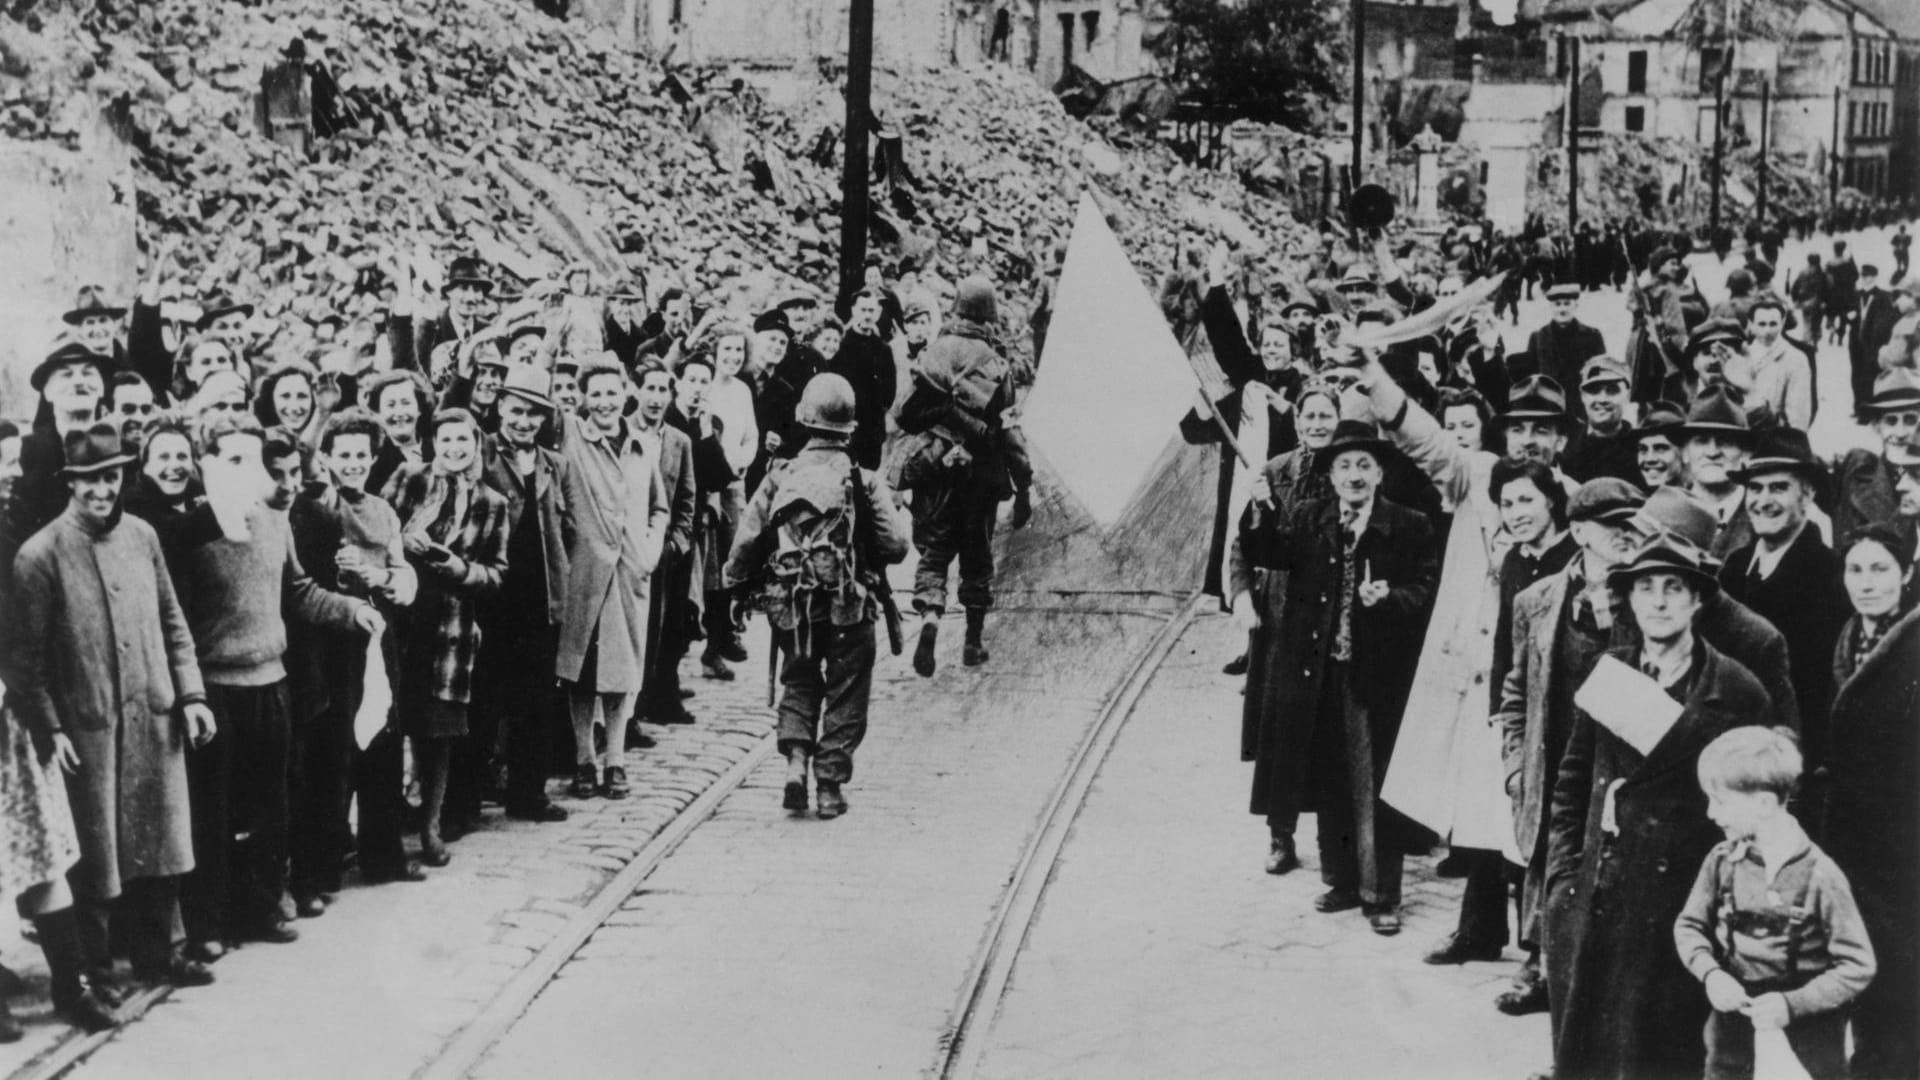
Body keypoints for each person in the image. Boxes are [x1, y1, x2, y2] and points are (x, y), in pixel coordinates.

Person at [1543, 536, 1771, 1080]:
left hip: (1681, 905)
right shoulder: (1610, 673)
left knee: (1663, 1055)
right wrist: (1562, 873)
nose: (1659, 601)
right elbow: (1573, 781)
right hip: (1601, 891)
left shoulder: (1735, 691)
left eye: (1674, 588)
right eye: (1645, 588)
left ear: (1697, 601)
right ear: (1630, 600)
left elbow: (1760, 808)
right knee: (1590, 1052)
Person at [12, 422, 218, 996]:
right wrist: (52, 730)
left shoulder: (144, 536)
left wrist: (192, 695)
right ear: (70, 484)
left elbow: (173, 624)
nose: (101, 491)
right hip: (89, 727)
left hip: (154, 715)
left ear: (124, 476)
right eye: (88, 481)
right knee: (96, 856)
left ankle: (161, 955)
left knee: (161, 843)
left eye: (110, 477)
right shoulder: (41, 554)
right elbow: (27, 663)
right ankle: (93, 970)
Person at [174, 416, 380, 955]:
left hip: (273, 683)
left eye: (254, 460)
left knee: (270, 807)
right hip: (217, 687)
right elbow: (175, 617)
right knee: (214, 813)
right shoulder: (192, 530)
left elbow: (301, 591)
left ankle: (262, 908)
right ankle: (211, 926)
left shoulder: (274, 522)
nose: (248, 471)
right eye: (233, 460)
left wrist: (352, 610)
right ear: (210, 465)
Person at [1239, 419, 1437, 935]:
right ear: (1329, 476)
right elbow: (1269, 554)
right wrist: (1259, 508)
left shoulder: (1409, 524)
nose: (1353, 474)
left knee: (1373, 786)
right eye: (1344, 465)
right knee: (1329, 781)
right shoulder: (1309, 517)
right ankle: (1342, 881)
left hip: (1374, 677)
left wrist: (1390, 599)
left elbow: (1426, 591)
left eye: (1363, 465)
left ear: (1379, 473)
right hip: (1316, 673)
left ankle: (1382, 894)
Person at [1493, 478, 1647, 1029]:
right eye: (1615, 527)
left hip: (1617, 758)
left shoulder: (1646, 596)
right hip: (1553, 749)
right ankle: (1540, 964)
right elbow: (1516, 688)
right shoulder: (1535, 601)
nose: (1628, 536)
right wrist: (1514, 763)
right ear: (1580, 531)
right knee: (1547, 863)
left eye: (1634, 524)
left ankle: (1588, 983)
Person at [723, 373, 910, 819]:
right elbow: (897, 546)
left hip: (792, 606)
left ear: (804, 421)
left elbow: (746, 543)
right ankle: (829, 787)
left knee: (800, 678)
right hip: (848, 605)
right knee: (847, 692)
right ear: (849, 428)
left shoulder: (778, 475)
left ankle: (795, 764)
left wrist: (735, 589)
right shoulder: (861, 480)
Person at [1423, 461, 1583, 975]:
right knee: (1488, 816)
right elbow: (1504, 647)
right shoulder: (1514, 560)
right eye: (1507, 504)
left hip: (1557, 716)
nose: (1516, 513)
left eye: (1526, 501)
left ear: (1552, 503)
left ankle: (1539, 954)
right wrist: (1497, 710)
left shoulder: (1572, 560)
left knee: (1540, 828)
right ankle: (1480, 930)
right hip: (1511, 709)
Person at [0, 420, 118, 1037]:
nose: (8, 477)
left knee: (40, 854)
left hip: (11, 722)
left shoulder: (12, 532)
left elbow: (22, 635)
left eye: (10, 467)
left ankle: (71, 988)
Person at [1674, 726, 1875, 1080]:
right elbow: (1689, 926)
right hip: (1733, 1033)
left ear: (1764, 804)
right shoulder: (1721, 861)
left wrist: (1791, 1005)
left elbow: (1858, 965)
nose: (1709, 813)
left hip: (1809, 1038)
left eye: (1719, 801)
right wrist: (1711, 974)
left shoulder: (1821, 876)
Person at [286, 410, 424, 908]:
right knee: (335, 747)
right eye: (342, 455)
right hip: (333, 638)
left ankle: (383, 854)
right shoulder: (316, 506)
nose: (352, 464)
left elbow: (400, 571)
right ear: (326, 458)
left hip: (377, 630)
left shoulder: (383, 510)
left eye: (361, 456)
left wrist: (385, 579)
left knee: (384, 736)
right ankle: (322, 865)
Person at [383, 408, 509, 864]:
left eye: (464, 441)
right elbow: (374, 528)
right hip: (403, 617)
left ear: (477, 444)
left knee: (440, 728)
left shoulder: (492, 502)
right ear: (433, 442)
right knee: (394, 723)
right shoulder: (408, 479)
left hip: (451, 624)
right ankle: (389, 824)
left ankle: (430, 825)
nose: (455, 449)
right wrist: (403, 539)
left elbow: (497, 574)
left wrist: (462, 569)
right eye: (446, 440)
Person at [1819, 524, 1919, 1080]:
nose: (1866, 582)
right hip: (1852, 837)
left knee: (1898, 981)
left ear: (1906, 574)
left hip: (1899, 843)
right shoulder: (1846, 638)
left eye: (1880, 569)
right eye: (1854, 570)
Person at [1229, 382, 1342, 872]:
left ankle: (1335, 839)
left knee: (1324, 730)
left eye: (1325, 416)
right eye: (1309, 416)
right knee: (1281, 730)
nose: (1317, 424)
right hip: (1281, 621)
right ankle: (1281, 836)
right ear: (1297, 423)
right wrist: (1241, 596)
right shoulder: (1275, 472)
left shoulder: (1348, 471)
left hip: (1326, 613)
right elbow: (1242, 545)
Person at [897, 277, 1032, 675]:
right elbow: (1011, 436)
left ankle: (930, 620)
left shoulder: (931, 355)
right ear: (988, 317)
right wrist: (1024, 485)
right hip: (980, 476)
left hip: (935, 471)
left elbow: (904, 414)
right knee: (977, 557)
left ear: (955, 311)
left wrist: (942, 417)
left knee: (935, 553)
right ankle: (972, 644)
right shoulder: (997, 366)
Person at [555, 358, 669, 800]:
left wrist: (649, 550)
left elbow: (660, 506)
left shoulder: (641, 445)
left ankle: (616, 761)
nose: (605, 402)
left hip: (628, 574)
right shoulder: (571, 437)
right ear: (583, 398)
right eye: (596, 393)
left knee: (623, 674)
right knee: (580, 673)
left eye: (612, 392)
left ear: (627, 393)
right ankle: (585, 759)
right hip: (584, 574)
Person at [1718, 429, 1849, 791]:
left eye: (1778, 488)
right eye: (1755, 489)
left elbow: (1824, 687)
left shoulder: (1830, 575)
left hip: (1791, 765)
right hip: (1728, 754)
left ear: (1807, 496)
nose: (1763, 500)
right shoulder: (1733, 569)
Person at [471, 366, 573, 820]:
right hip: (492, 598)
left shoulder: (556, 464)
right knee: (482, 699)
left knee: (535, 701)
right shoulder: (484, 453)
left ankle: (528, 793)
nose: (524, 421)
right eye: (516, 410)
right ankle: (465, 799)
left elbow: (569, 529)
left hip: (539, 599)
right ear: (499, 408)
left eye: (533, 414)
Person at [630, 362, 698, 733]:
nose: (656, 398)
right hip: (631, 548)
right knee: (633, 630)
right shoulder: (624, 431)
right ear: (637, 391)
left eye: (662, 391)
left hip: (667, 551)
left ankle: (658, 698)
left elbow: (687, 496)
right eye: (650, 389)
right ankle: (629, 712)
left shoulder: (678, 441)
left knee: (665, 629)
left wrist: (678, 542)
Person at [1832, 367, 1920, 545]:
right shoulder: (1855, 475)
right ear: (1876, 426)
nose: (1901, 432)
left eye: (1910, 419)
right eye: (1891, 420)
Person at [1678, 387, 1758, 560]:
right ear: (1685, 453)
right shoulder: (1662, 515)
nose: (1713, 452)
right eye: (1701, 441)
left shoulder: (1763, 517)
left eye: (1725, 442)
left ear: (1745, 453)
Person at [825, 288, 897, 472]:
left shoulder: (883, 350)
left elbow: (890, 392)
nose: (867, 315)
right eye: (863, 310)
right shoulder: (841, 346)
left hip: (872, 431)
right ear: (853, 311)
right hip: (844, 427)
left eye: (871, 311)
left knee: (867, 482)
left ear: (878, 313)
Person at [1526, 284, 1609, 419]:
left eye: (1567, 304)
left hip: (1582, 408)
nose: (1562, 309)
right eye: (1557, 304)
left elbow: (1600, 377)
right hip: (1549, 407)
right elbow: (1531, 375)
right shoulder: (1538, 337)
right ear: (1551, 307)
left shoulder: (1592, 336)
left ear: (1576, 305)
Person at [1561, 356, 1640, 485]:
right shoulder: (1565, 448)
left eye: (1612, 390)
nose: (1602, 399)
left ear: (1627, 395)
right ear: (1583, 397)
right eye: (1594, 391)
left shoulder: (1642, 450)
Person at [1852, 265, 1900, 418]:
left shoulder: (1883, 296)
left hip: (1872, 344)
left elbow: (1886, 321)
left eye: (1868, 275)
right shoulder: (1855, 295)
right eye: (1863, 275)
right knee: (1856, 374)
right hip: (1855, 343)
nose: (1865, 278)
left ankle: (1869, 409)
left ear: (1875, 276)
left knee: (1870, 375)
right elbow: (1846, 312)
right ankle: (1858, 406)